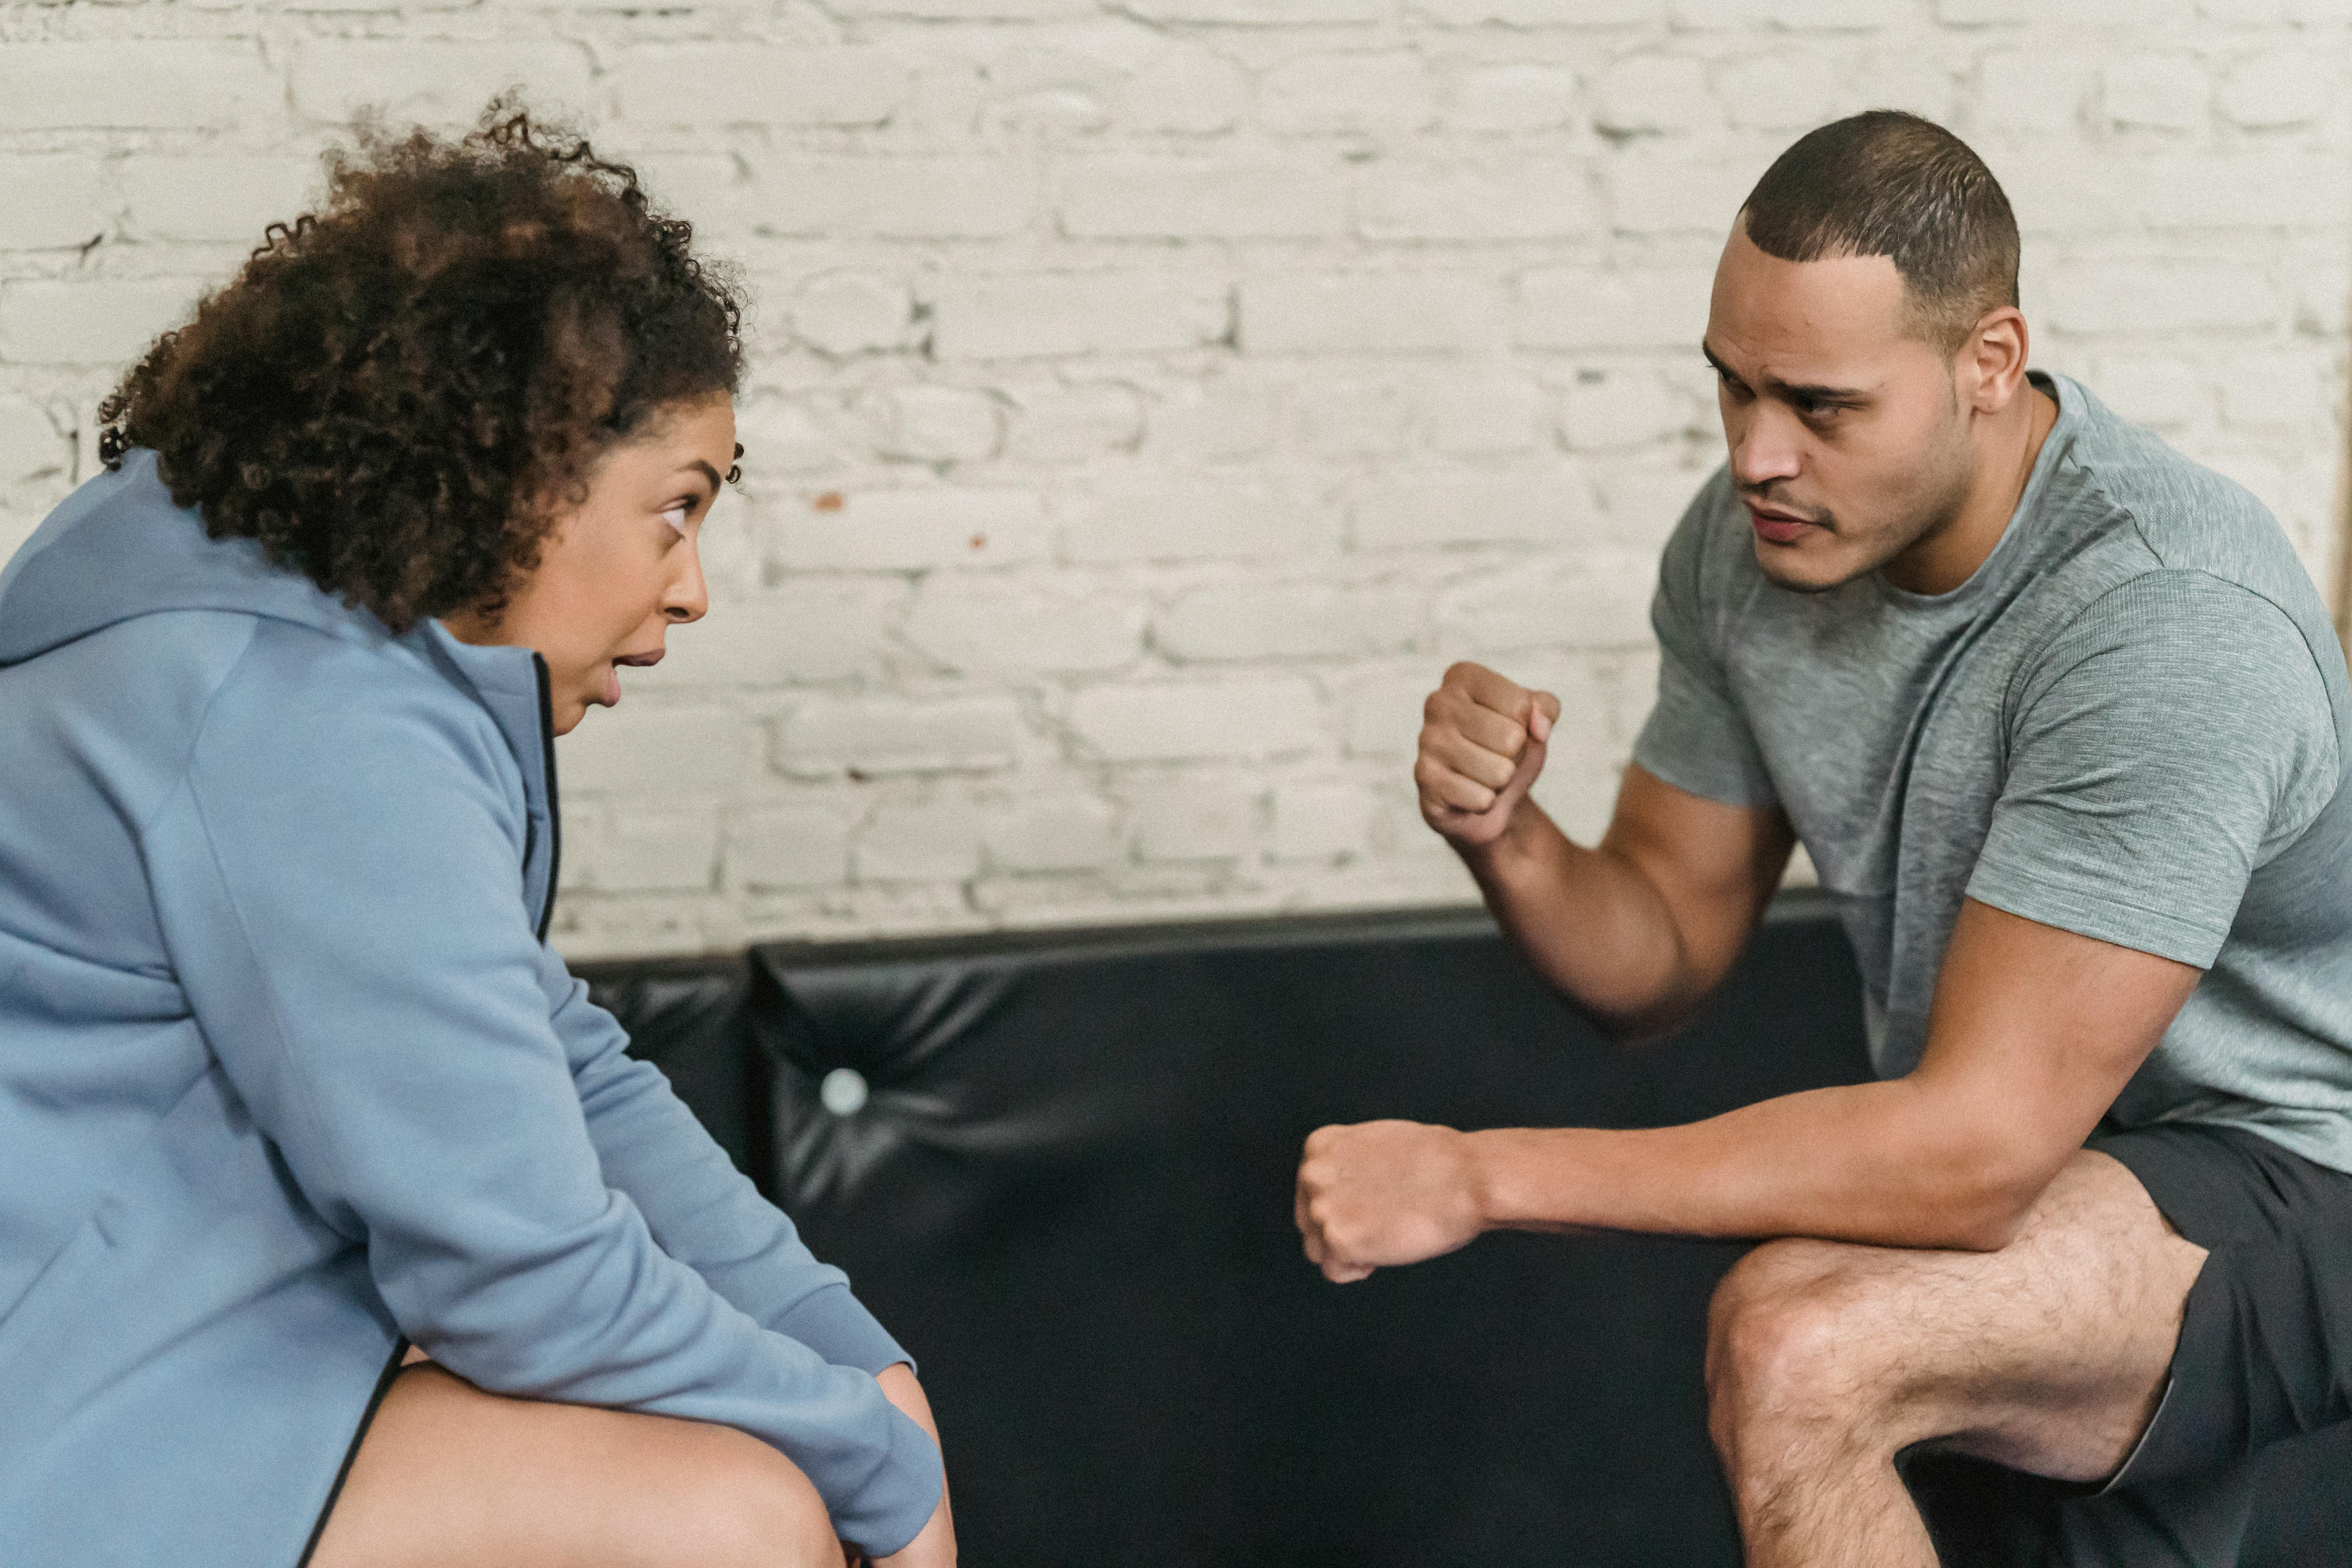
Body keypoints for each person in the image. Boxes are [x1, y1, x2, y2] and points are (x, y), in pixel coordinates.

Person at [1294, 110, 2352, 1565]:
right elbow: (1655, 957)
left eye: (1820, 404)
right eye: (1730, 389)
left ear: (1990, 362)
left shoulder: (2166, 618)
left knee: (1806, 1341)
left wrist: (1480, 1177)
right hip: (2061, 1168)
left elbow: (1976, 1153)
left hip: (2300, 1169)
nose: (1755, 454)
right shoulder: (1752, 551)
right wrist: (1510, 836)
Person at [0, 111, 956, 1568]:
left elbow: (554, 1052)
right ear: (523, 474)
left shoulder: (267, 638)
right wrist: (880, 1466)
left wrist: (851, 1355)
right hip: (62, 1416)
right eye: (676, 512)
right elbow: (521, 1279)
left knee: (773, 1458)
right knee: (732, 1522)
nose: (691, 589)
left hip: (162, 1338)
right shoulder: (301, 721)